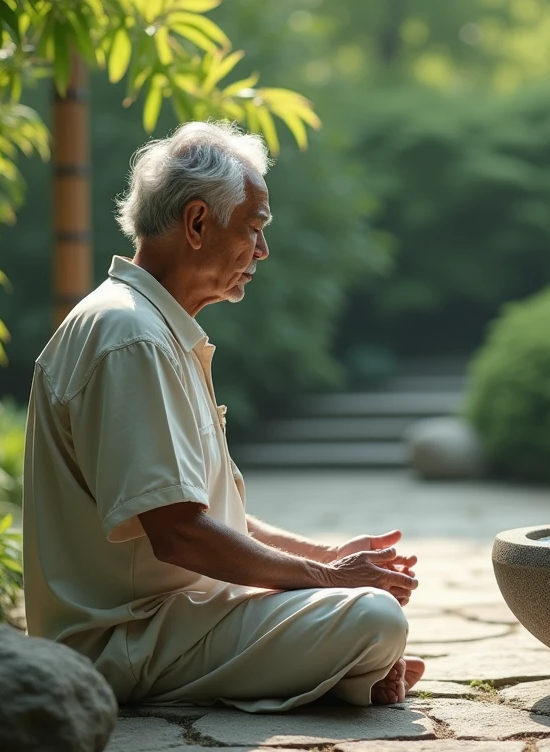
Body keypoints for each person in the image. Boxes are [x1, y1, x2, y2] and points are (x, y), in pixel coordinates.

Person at [21, 120, 425, 712]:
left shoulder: (147, 326)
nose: (262, 250)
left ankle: (344, 669)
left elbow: (205, 514)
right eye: (254, 228)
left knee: (364, 612)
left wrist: (327, 558)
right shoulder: (131, 336)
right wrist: (331, 581)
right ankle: (345, 665)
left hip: (175, 622)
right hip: (123, 640)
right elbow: (178, 531)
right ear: (197, 223)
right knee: (374, 616)